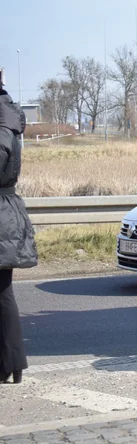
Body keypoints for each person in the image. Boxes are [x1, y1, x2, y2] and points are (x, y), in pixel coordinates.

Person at [0, 83, 38, 385]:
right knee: (2, 292)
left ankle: (11, 361)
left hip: (1, 212)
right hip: (5, 210)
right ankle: (12, 362)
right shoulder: (7, 118)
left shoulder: (2, 122)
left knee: (2, 292)